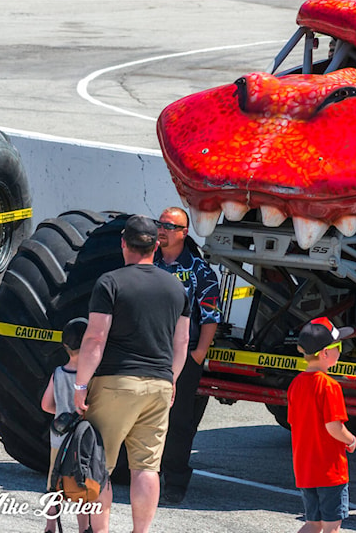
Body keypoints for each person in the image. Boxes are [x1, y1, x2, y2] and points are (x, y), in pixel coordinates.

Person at [74, 215, 189, 533]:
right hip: (159, 385)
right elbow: (182, 342)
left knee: (99, 466)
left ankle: (99, 530)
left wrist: (81, 383)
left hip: (116, 383)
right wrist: (172, 379)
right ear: (156, 245)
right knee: (147, 468)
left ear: (123, 243)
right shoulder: (176, 287)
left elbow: (95, 337)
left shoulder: (110, 282)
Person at [153, 206, 221, 505]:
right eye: (160, 224)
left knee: (179, 422)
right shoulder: (147, 260)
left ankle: (175, 481)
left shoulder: (198, 269)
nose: (162, 229)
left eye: (169, 226)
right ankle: (146, 475)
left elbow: (210, 316)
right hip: (149, 352)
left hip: (183, 357)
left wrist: (198, 355)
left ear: (184, 232)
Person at [287, 317, 356, 533]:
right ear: (325, 353)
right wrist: (351, 439)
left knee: (312, 523)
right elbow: (333, 427)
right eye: (339, 345)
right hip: (329, 470)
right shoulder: (330, 386)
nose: (341, 350)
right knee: (331, 526)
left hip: (305, 468)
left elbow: (294, 422)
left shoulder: (296, 384)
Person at [40, 317, 91, 533]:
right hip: (82, 441)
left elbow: (45, 405)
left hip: (59, 438)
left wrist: (62, 413)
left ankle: (50, 527)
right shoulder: (89, 377)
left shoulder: (58, 373)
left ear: (65, 346)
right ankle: (83, 528)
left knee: (55, 484)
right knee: (82, 487)